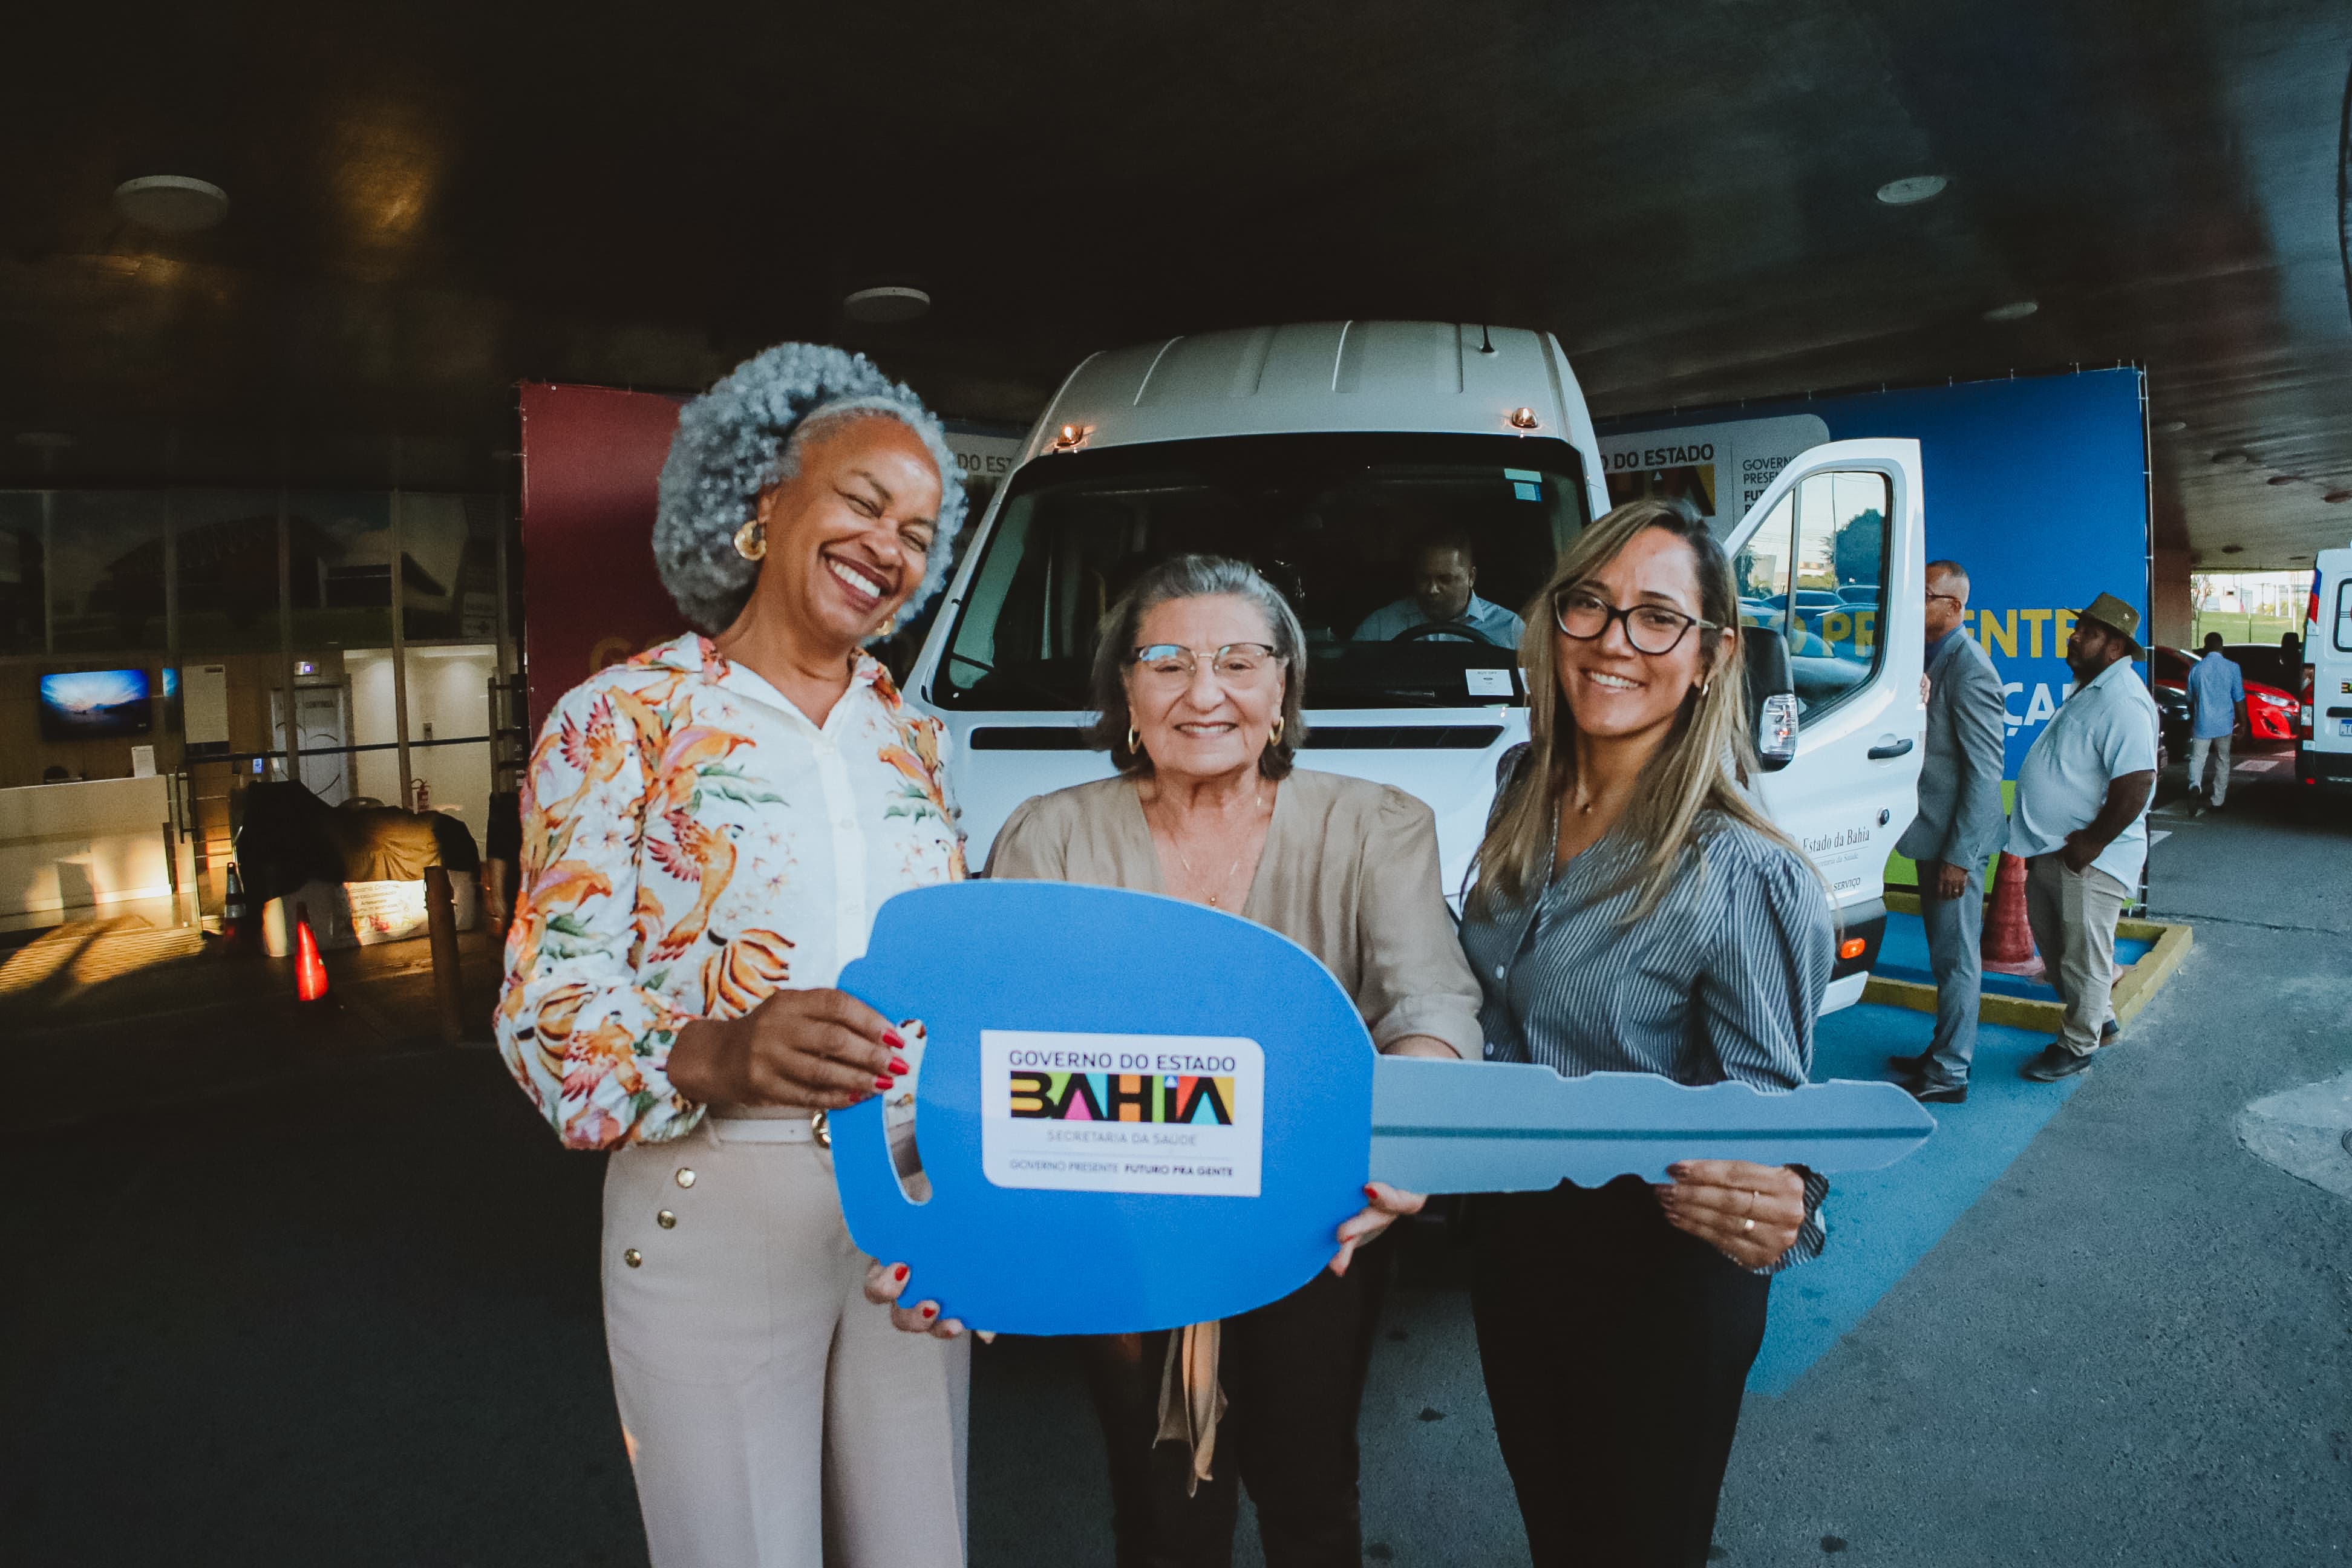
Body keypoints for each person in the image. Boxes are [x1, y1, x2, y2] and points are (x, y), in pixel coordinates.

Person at [495, 342, 979, 1568]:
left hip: (912, 1201)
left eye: (918, 534)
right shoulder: (621, 719)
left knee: (919, 1548)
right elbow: (546, 1007)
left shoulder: (915, 741)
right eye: (862, 501)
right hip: (712, 1199)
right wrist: (721, 1052)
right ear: (764, 499)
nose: (888, 546)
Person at [985, 553, 1483, 1568]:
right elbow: (1003, 1040)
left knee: (1309, 1489)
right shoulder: (1051, 837)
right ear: (1124, 691)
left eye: (1239, 662)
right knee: (1160, 1504)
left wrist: (1406, 1140)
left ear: (1283, 687)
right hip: (1126, 1225)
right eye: (1167, 662)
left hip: (1316, 1214)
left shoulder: (1374, 824)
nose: (1203, 693)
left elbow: (1427, 1000)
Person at [1455, 498, 1832, 1568]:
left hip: (1655, 1274)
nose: (1614, 640)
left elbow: (1775, 1123)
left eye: (1657, 618)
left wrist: (1790, 1201)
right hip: (1514, 1243)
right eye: (1590, 604)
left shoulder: (1740, 870)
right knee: (1557, 1534)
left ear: (1712, 655)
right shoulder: (1522, 786)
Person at [2008, 592, 2159, 1083]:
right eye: (2078, 630)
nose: (2075, 638)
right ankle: (2101, 1020)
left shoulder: (2123, 699)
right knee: (2060, 955)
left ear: (2116, 647)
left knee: (2083, 957)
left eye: (2089, 633)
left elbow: (2137, 782)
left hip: (2090, 859)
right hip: (2056, 850)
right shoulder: (2093, 689)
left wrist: (2091, 844)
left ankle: (2077, 1045)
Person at [1887, 560, 2008, 1103]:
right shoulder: (1931, 655)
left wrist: (1960, 856)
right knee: (1944, 956)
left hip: (1956, 844)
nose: (1915, 602)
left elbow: (1985, 773)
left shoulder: (1972, 668)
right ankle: (1943, 1050)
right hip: (1934, 833)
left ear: (1954, 607)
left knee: (1958, 959)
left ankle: (1951, 1072)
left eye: (1925, 595)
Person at [1350, 533, 1525, 645]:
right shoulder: (1380, 626)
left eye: (1445, 579)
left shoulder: (1509, 629)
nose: (1432, 589)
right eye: (1424, 578)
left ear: (1471, 577)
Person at [2185, 630, 2246, 813]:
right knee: (2223, 760)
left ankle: (2195, 785)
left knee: (2198, 758)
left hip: (2202, 722)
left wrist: (2193, 718)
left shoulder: (2196, 669)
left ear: (2205, 648)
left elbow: (2190, 699)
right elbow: (2239, 698)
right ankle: (2218, 799)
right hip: (2224, 723)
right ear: (2222, 647)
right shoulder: (2233, 668)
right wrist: (2243, 723)